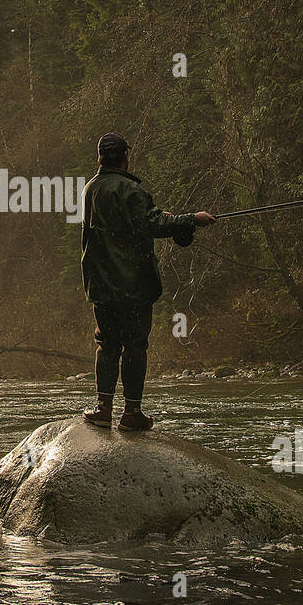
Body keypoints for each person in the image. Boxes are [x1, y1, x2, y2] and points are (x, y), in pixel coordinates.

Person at [80, 133, 215, 431]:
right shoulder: (131, 190)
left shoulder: (90, 189)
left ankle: (103, 408)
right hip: (134, 286)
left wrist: (168, 218)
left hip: (100, 284)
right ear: (125, 155)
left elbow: (128, 224)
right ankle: (131, 413)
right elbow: (153, 224)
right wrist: (192, 219)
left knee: (106, 343)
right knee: (135, 346)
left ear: (101, 157)